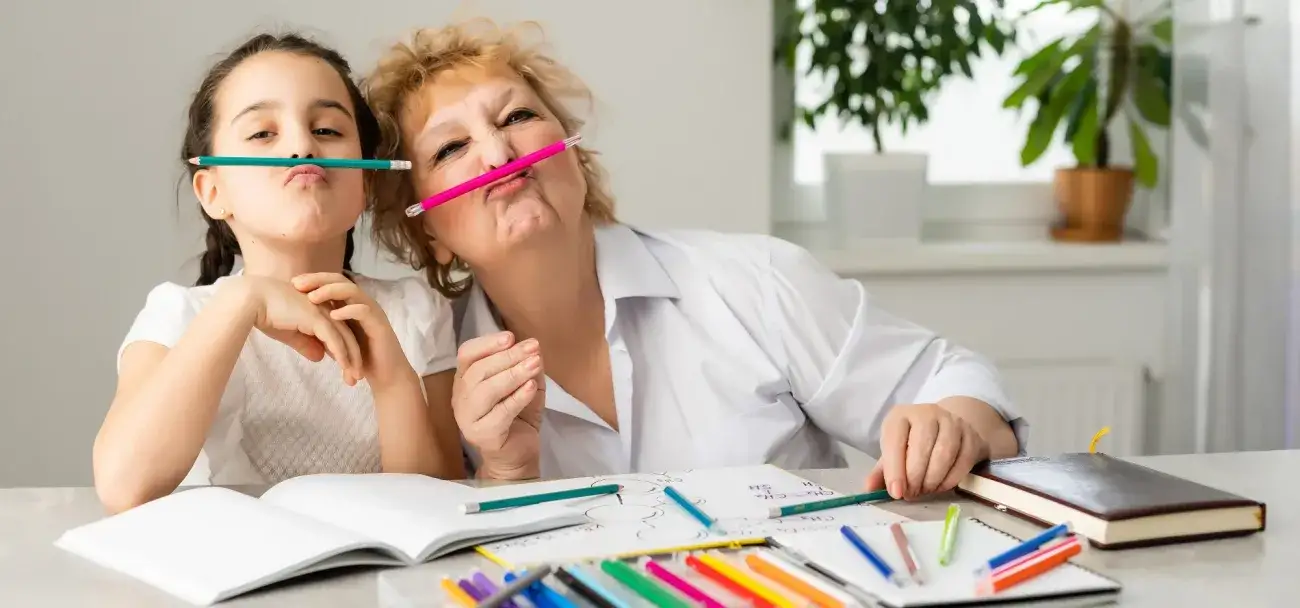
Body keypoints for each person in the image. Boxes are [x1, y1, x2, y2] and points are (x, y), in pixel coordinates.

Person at [363, 20, 1028, 499]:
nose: (499, 154)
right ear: (430, 236)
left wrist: (955, 424)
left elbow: (958, 383)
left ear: (575, 156)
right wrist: (502, 474)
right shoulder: (433, 376)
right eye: (451, 149)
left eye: (515, 118)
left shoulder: (757, 283)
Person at [94, 33, 464, 514]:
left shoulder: (416, 311)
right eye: (262, 133)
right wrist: (242, 302)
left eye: (328, 130)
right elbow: (125, 485)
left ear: (366, 182)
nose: (301, 146)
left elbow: (443, 505)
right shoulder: (179, 314)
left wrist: (394, 382)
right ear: (212, 191)